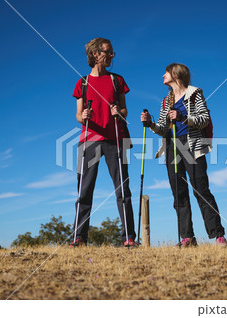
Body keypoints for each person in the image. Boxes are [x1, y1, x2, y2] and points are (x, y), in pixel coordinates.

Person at [141, 63, 227, 247]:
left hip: (192, 144)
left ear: (176, 74)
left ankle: (218, 235)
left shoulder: (195, 94)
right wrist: (151, 125)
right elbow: (164, 130)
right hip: (172, 146)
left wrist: (182, 118)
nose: (163, 76)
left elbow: (204, 119)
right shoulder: (166, 100)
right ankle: (187, 238)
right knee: (179, 193)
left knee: (201, 190)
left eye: (166, 72)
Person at [70, 37, 136, 247]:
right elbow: (79, 116)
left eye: (112, 52)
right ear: (95, 54)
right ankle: (79, 237)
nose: (111, 56)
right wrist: (85, 116)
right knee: (84, 190)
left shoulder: (117, 80)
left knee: (123, 190)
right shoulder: (82, 83)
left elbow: (125, 110)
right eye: (108, 52)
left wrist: (119, 112)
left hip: (115, 139)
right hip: (89, 140)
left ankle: (129, 238)